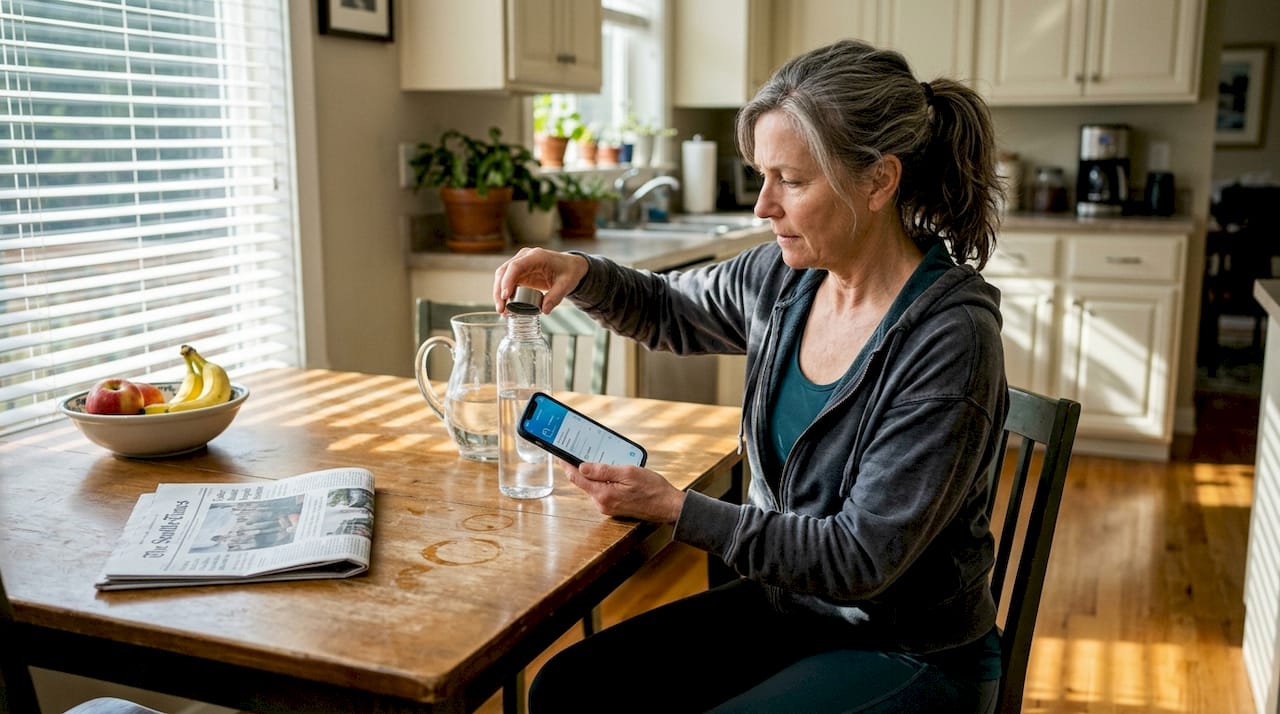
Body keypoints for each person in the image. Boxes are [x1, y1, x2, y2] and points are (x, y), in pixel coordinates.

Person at [493, 38, 1008, 714]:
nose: (763, 206)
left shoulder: (950, 337)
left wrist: (678, 509)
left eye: (791, 181)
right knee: (568, 690)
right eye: (763, 176)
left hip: (908, 649)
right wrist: (580, 272)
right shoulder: (785, 278)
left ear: (879, 180)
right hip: (791, 610)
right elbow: (669, 307)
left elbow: (860, 557)